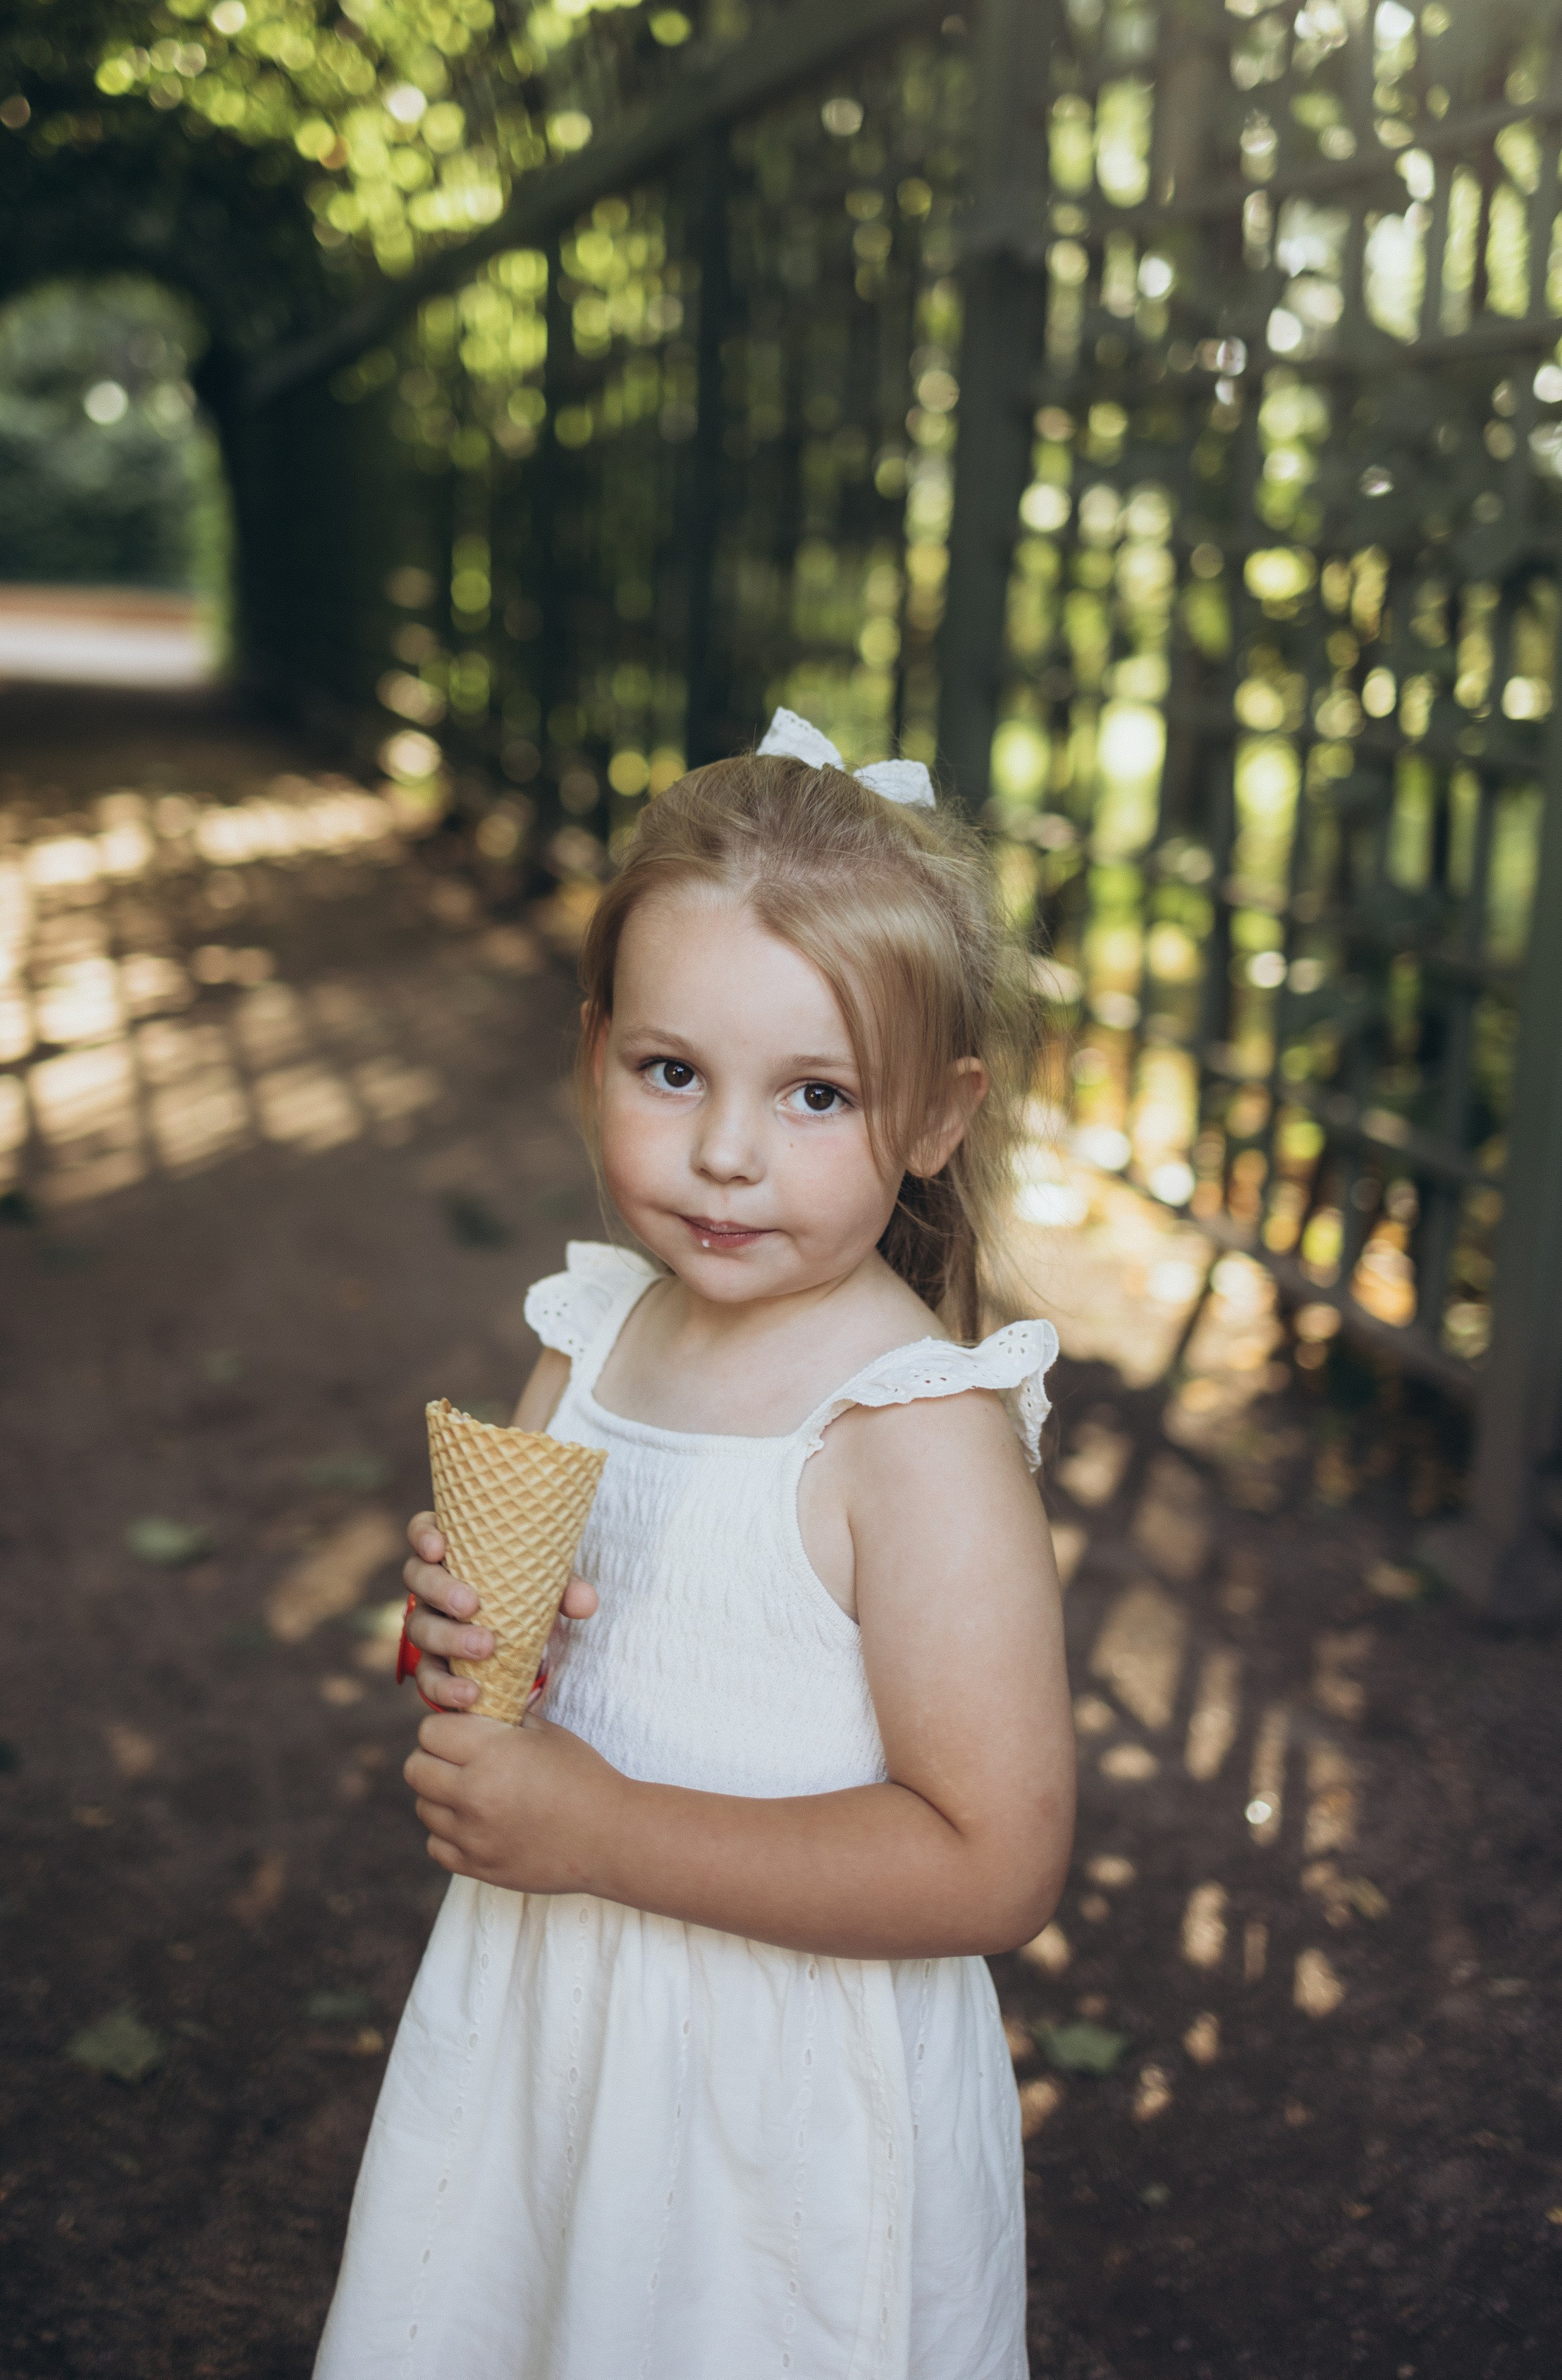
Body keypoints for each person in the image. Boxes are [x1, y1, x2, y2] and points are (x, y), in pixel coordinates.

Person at [312, 711, 1074, 2380]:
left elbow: (991, 1863)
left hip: (774, 2121)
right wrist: (448, 1640)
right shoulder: (588, 1339)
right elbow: (508, 1673)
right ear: (593, 1054)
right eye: (673, 1073)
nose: (727, 1151)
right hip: (553, 2028)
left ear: (937, 1120)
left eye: (815, 1095)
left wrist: (602, 1829)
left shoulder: (910, 1432)